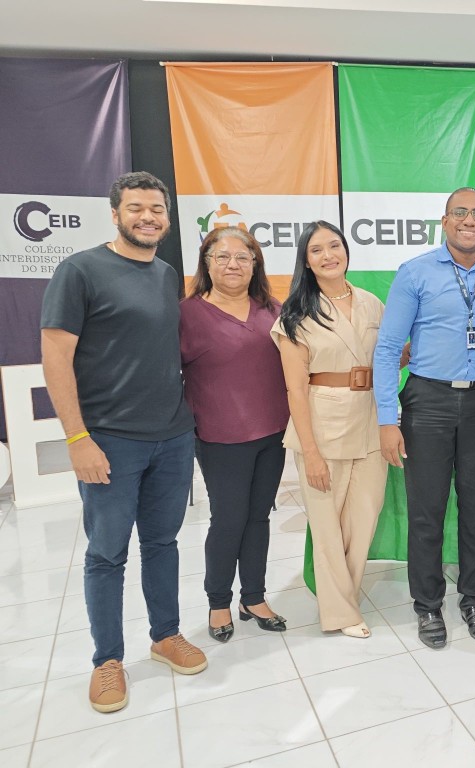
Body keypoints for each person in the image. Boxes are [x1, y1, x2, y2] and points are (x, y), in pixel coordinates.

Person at [40, 171, 207, 714]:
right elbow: (55, 358)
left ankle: (165, 635)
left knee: (162, 543)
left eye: (156, 209)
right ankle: (107, 660)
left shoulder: (166, 274)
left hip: (172, 437)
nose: (147, 217)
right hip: (110, 441)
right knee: (106, 553)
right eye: (136, 208)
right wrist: (78, 438)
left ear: (167, 218)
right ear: (115, 214)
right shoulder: (79, 270)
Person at [373, 187, 475, 649]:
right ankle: (428, 605)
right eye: (461, 213)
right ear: (445, 221)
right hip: (427, 401)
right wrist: (387, 420)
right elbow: (388, 349)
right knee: (427, 512)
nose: (470, 220)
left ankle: (474, 600)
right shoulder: (414, 272)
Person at [271, 221, 387, 637]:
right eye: (317, 250)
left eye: (334, 246)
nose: (328, 255)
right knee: (326, 525)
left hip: (370, 421)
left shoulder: (372, 303)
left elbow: (386, 358)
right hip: (323, 425)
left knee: (363, 517)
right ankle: (340, 614)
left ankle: (345, 598)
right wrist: (311, 452)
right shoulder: (295, 314)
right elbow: (295, 389)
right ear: (306, 261)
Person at [179, 226, 290, 642]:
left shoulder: (273, 309)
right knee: (228, 519)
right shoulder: (187, 314)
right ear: (206, 263)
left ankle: (253, 597)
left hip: (272, 432)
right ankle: (218, 602)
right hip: (219, 437)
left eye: (243, 257)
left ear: (255, 263)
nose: (233, 264)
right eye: (222, 257)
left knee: (259, 516)